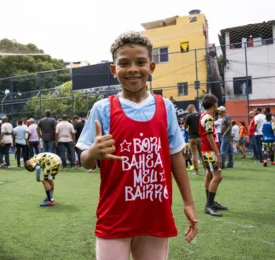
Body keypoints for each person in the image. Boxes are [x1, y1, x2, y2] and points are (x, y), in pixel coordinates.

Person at [76, 31, 198, 260]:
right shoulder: (103, 108)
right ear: (114, 70)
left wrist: (188, 203)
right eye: (124, 63)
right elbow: (85, 160)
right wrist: (92, 152)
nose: (132, 68)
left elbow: (176, 158)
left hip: (156, 215)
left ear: (151, 67)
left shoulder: (166, 108)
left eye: (140, 62)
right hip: (114, 215)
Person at [199, 94, 227, 217]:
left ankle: (210, 202)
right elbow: (210, 137)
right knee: (217, 177)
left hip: (206, 151)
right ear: (215, 105)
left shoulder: (204, 116)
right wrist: (217, 154)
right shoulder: (209, 118)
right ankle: (209, 205)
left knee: (209, 175)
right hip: (210, 151)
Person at [185, 104, 205, 175]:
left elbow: (185, 126)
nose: (188, 111)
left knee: (194, 155)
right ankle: (205, 170)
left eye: (188, 109)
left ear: (191, 108)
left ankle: (196, 171)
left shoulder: (189, 116)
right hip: (200, 137)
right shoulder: (201, 115)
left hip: (192, 138)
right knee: (201, 154)